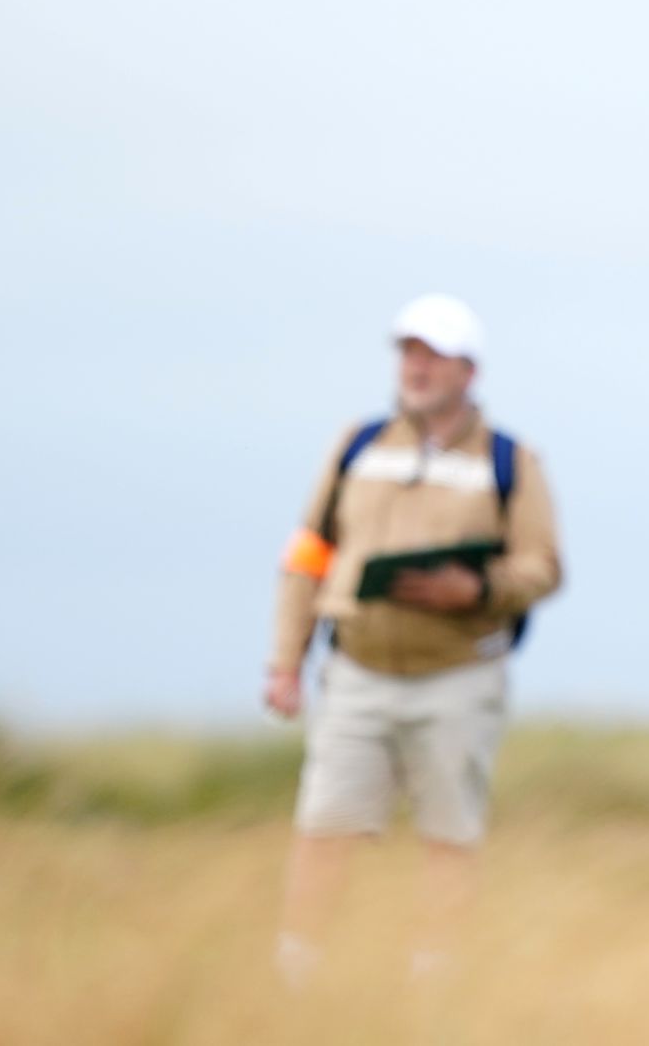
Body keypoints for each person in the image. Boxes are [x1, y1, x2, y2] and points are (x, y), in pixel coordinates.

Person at [262, 293, 562, 984]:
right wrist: (286, 660)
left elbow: (540, 567)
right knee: (326, 825)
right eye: (408, 352)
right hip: (356, 670)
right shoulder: (357, 445)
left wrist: (477, 589)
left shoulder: (512, 460)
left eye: (432, 354)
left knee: (448, 832)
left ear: (467, 369)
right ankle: (297, 971)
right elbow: (308, 554)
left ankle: (437, 978)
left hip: (459, 675)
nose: (416, 367)